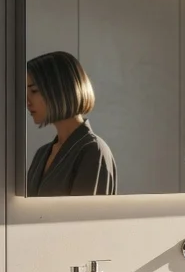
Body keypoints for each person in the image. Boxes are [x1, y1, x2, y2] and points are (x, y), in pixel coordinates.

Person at [24, 51, 117, 196]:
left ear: (59, 90)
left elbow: (86, 217)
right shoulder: (42, 154)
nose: (27, 101)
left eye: (34, 91)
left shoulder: (93, 151)